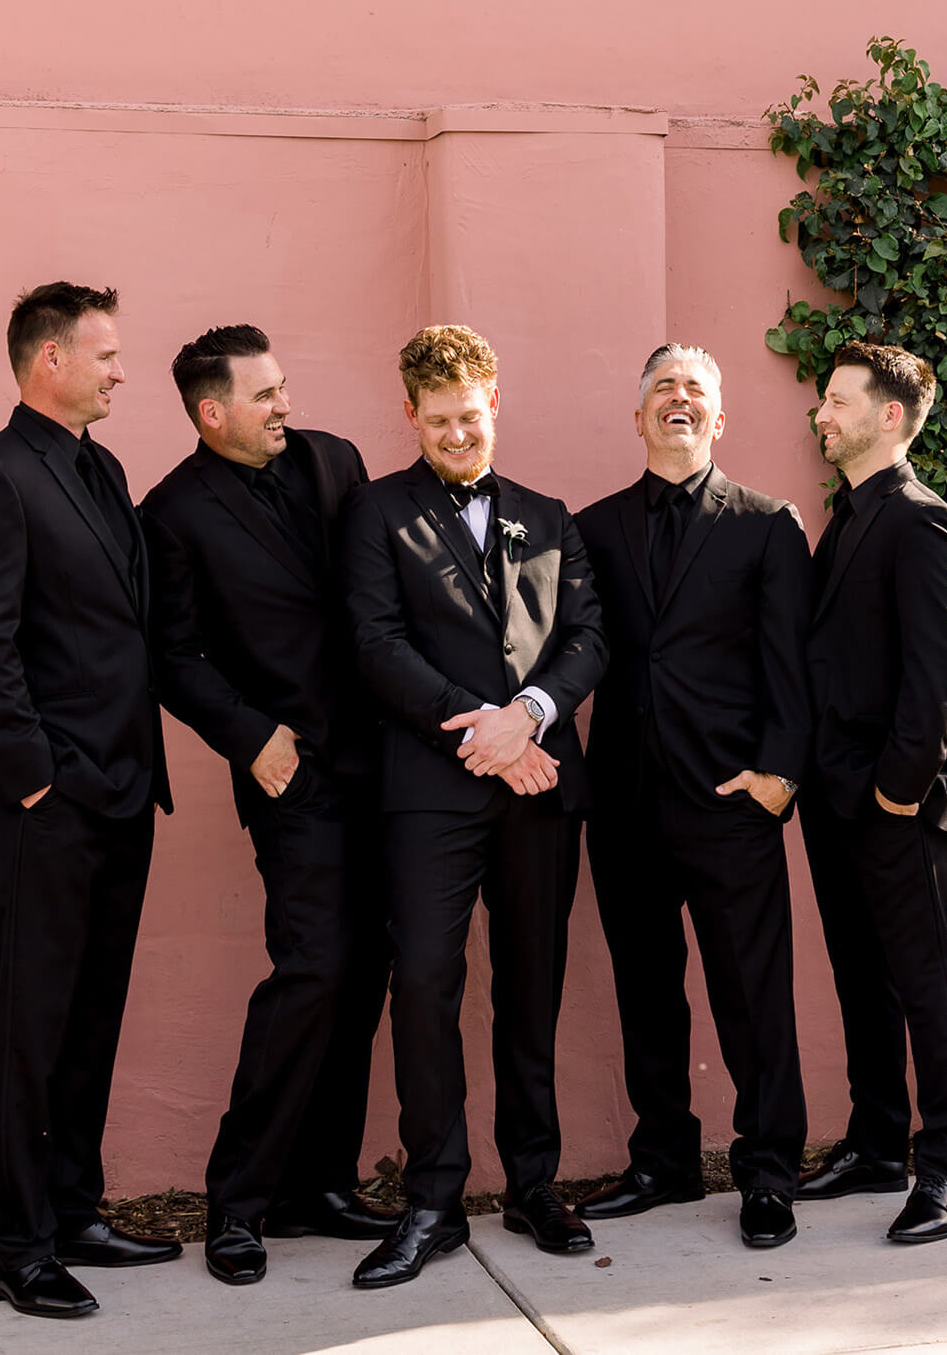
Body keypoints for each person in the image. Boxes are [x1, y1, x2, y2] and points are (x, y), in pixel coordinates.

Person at [342, 325, 607, 1287]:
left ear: (495, 402)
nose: (460, 433)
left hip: (540, 784)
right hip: (429, 790)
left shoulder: (549, 513)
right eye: (440, 419)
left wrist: (529, 717)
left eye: (473, 414)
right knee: (421, 982)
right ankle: (433, 1200)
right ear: (410, 414)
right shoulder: (374, 514)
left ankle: (534, 1183)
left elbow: (585, 635)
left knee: (532, 982)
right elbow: (373, 645)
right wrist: (484, 737)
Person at [139, 325, 398, 1286]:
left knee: (368, 965)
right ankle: (238, 1202)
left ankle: (318, 1186)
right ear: (211, 413)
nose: (284, 405)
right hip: (292, 776)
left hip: (389, 763)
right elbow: (172, 655)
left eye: (284, 387)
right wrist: (252, 737)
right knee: (315, 966)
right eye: (263, 396)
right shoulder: (169, 512)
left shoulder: (338, 459)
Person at [0, 283, 178, 1320]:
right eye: (108, 354)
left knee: (91, 1013)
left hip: (124, 792)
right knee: (34, 1023)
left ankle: (75, 1209)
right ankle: (19, 1245)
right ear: (49, 361)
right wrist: (38, 772)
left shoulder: (102, 465)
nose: (123, 369)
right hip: (48, 802)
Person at [575, 343, 811, 1250]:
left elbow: (792, 664)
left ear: (719, 418)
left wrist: (778, 777)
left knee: (753, 993)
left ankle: (766, 1173)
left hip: (730, 800)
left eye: (695, 390)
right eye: (663, 388)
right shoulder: (589, 528)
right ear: (638, 417)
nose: (679, 399)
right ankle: (662, 1161)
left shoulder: (766, 523)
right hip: (626, 802)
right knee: (646, 991)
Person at [796, 341, 947, 1243]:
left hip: (894, 803)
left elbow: (941, 671)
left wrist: (897, 794)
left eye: (836, 400)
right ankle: (875, 1145)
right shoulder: (849, 514)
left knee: (921, 980)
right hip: (836, 802)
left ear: (889, 416)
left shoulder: (920, 518)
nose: (821, 414)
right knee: (860, 980)